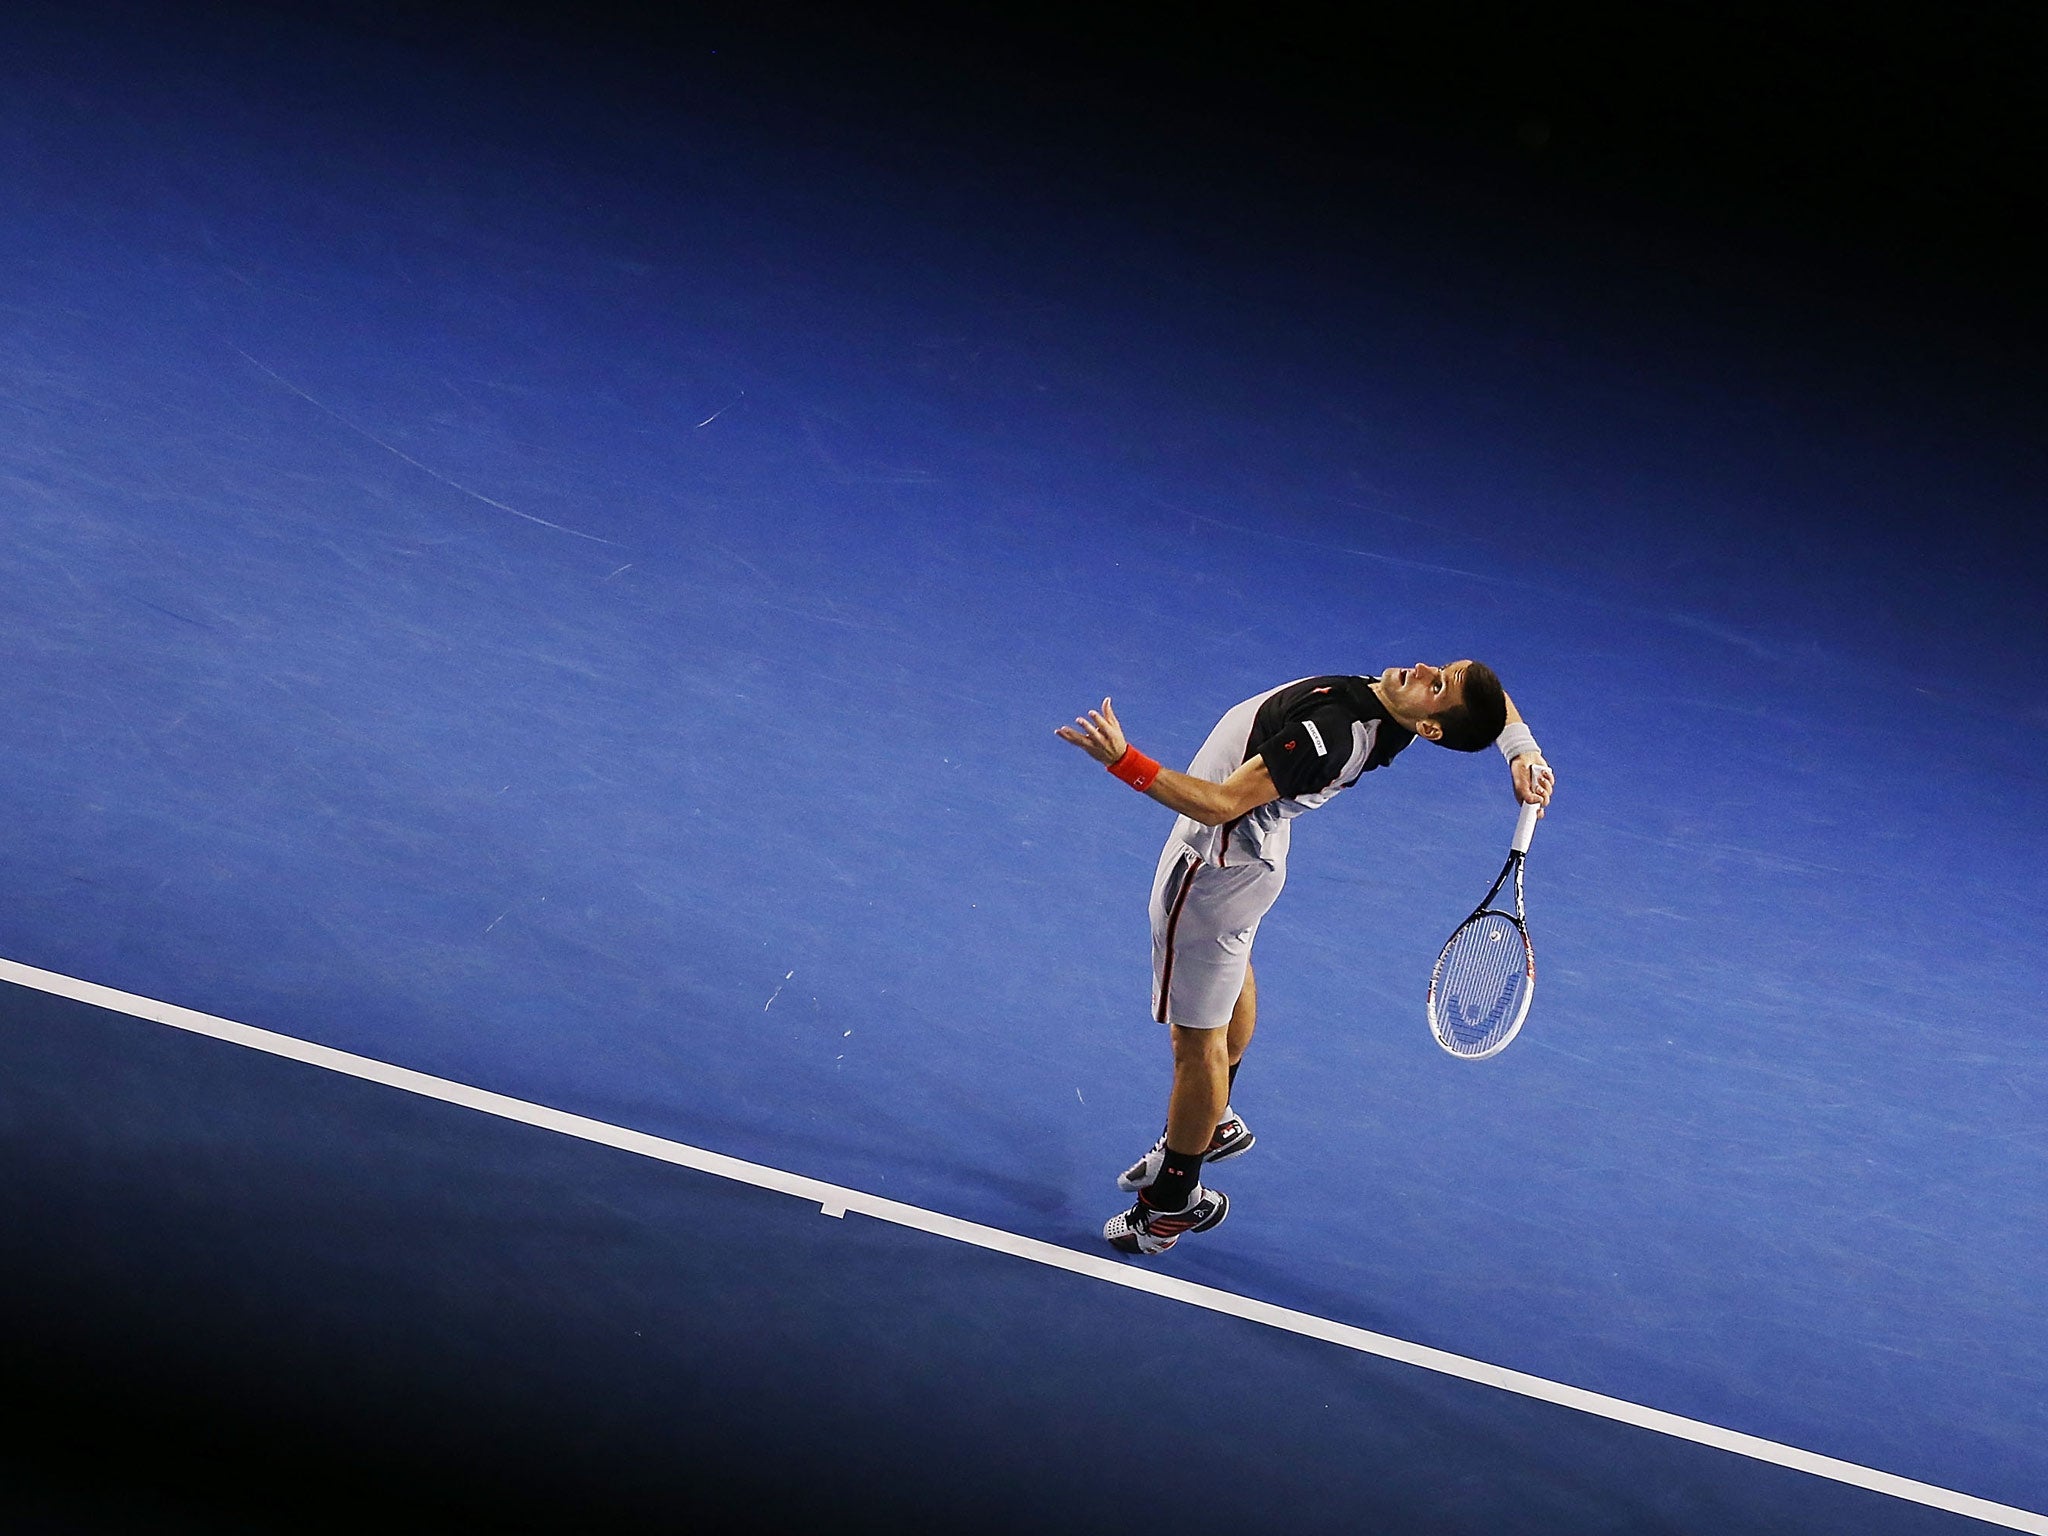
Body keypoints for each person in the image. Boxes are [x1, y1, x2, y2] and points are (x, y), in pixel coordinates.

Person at [1056, 662, 1555, 1256]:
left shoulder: (1331, 734)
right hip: (1257, 860)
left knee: (1195, 1047)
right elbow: (1483, 696)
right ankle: (1209, 1122)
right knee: (1225, 976)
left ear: (1431, 729)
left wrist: (1123, 760)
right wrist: (1520, 749)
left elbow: (1218, 804)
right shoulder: (1403, 703)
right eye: (1440, 669)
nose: (1425, 668)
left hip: (1211, 869)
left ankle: (1169, 1203)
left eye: (1437, 685)